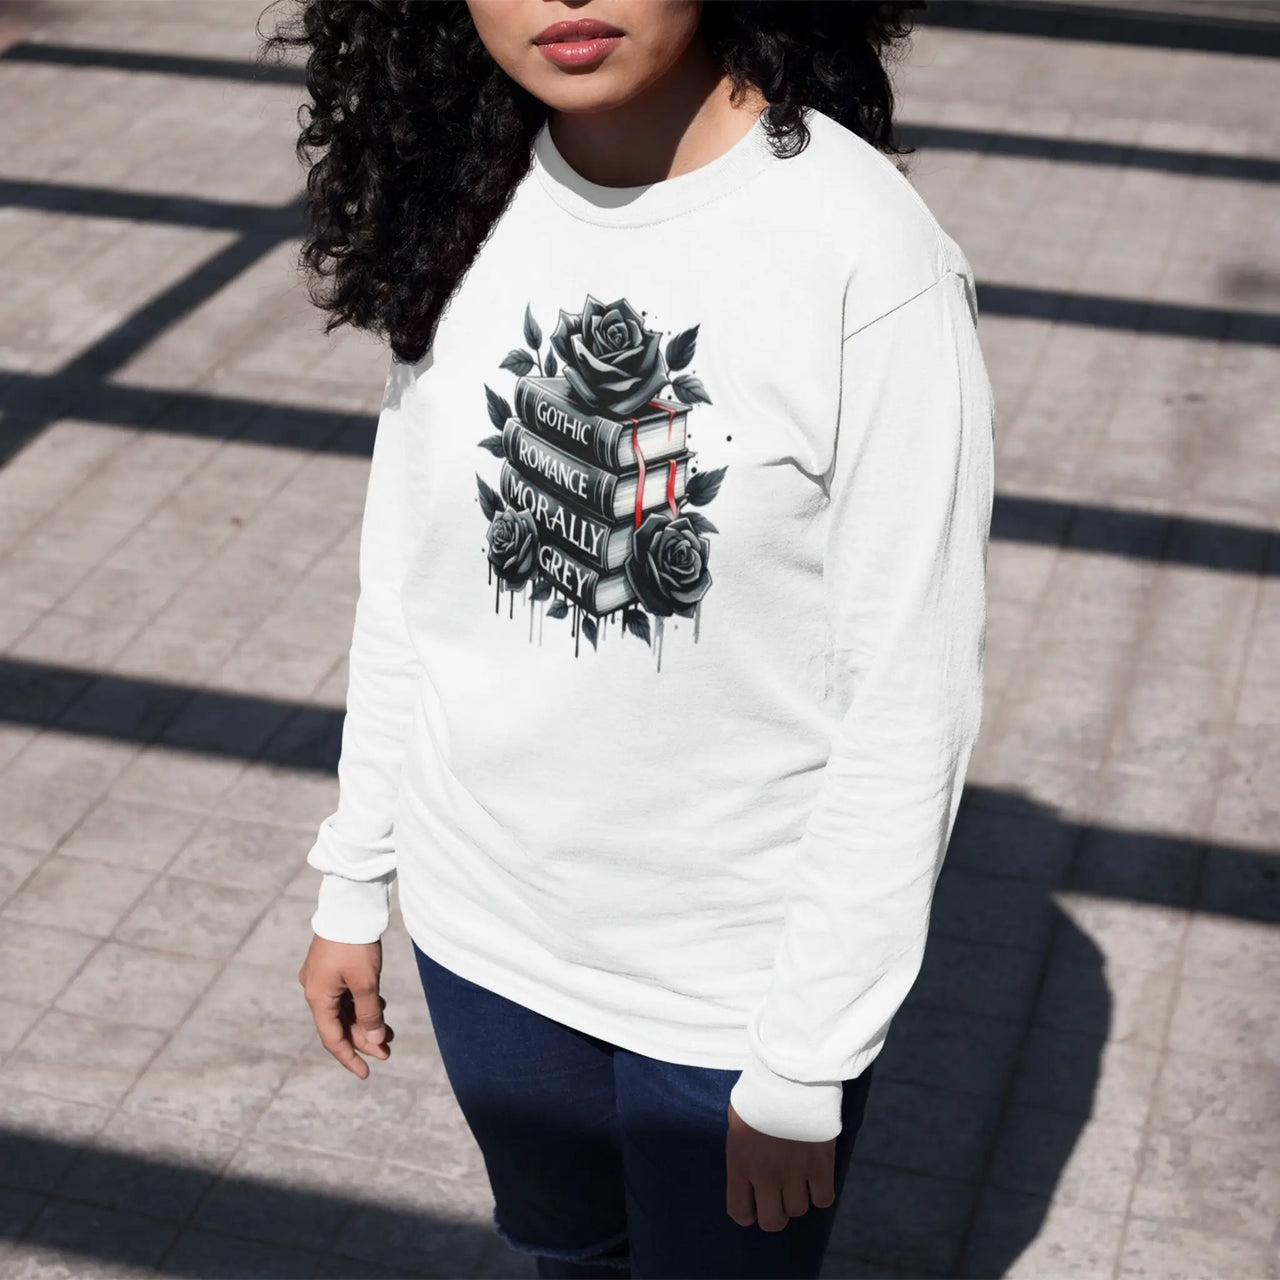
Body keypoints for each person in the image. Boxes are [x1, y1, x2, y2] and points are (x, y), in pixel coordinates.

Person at [262, 1, 994, 1276]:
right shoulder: (463, 196)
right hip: (484, 943)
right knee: (573, 1258)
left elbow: (908, 701)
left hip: (724, 997)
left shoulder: (862, 250)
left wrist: (803, 1054)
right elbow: (406, 594)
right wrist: (355, 877)